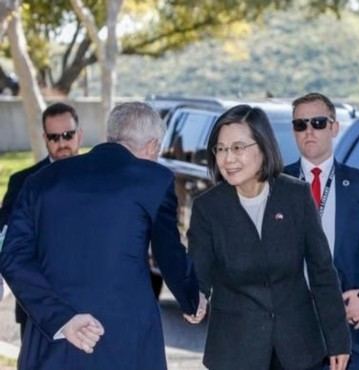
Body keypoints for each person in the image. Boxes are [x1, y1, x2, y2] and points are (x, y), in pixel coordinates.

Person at [0, 102, 206, 370]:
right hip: (126, 340)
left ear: (111, 136)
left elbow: (13, 257)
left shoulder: (42, 180)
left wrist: (61, 319)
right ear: (153, 146)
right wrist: (192, 300)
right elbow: (169, 254)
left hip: (52, 338)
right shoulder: (154, 180)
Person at [187, 104, 350, 370]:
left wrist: (338, 339)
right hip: (235, 351)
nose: (228, 159)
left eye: (238, 148)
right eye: (221, 149)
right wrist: (197, 298)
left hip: (298, 349)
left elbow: (322, 272)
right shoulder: (209, 208)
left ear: (263, 147)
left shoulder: (296, 196)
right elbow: (198, 272)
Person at [284, 92, 359, 370]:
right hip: (289, 336)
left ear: (334, 127)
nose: (309, 131)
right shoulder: (274, 185)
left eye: (317, 122)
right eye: (300, 125)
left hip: (348, 330)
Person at [0, 102, 83, 339]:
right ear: (45, 139)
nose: (62, 143)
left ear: (80, 135)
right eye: (54, 137)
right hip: (37, 306)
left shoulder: (101, 180)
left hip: (90, 299)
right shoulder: (22, 181)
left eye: (68, 135)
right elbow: (7, 241)